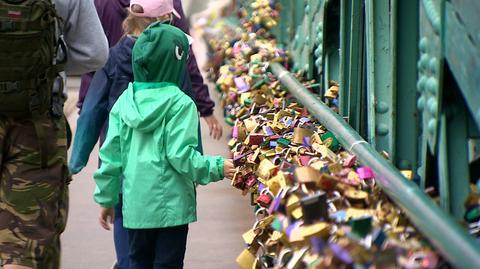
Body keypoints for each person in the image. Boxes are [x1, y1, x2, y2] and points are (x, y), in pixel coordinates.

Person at [68, 1, 208, 268]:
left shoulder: (112, 57)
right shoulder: (173, 63)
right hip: (169, 169)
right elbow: (188, 115)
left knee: (126, 227)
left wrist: (76, 161)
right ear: (164, 21)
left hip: (121, 160)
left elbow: (91, 111)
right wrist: (197, 163)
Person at [93, 22, 235, 269]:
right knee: (168, 263)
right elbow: (182, 157)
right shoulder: (181, 104)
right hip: (173, 209)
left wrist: (106, 199)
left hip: (136, 207)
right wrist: (219, 167)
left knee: (138, 261)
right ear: (176, 62)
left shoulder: (124, 102)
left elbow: (110, 158)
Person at [0, 0, 109, 268]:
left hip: (37, 122)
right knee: (24, 243)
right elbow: (95, 53)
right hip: (37, 125)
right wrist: (45, 66)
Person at [77, 0, 223, 140]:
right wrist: (205, 107)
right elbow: (185, 55)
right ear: (165, 18)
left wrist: (85, 107)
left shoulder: (102, 3)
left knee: (115, 154)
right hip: (164, 116)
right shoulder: (168, 4)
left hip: (117, 116)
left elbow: (92, 55)